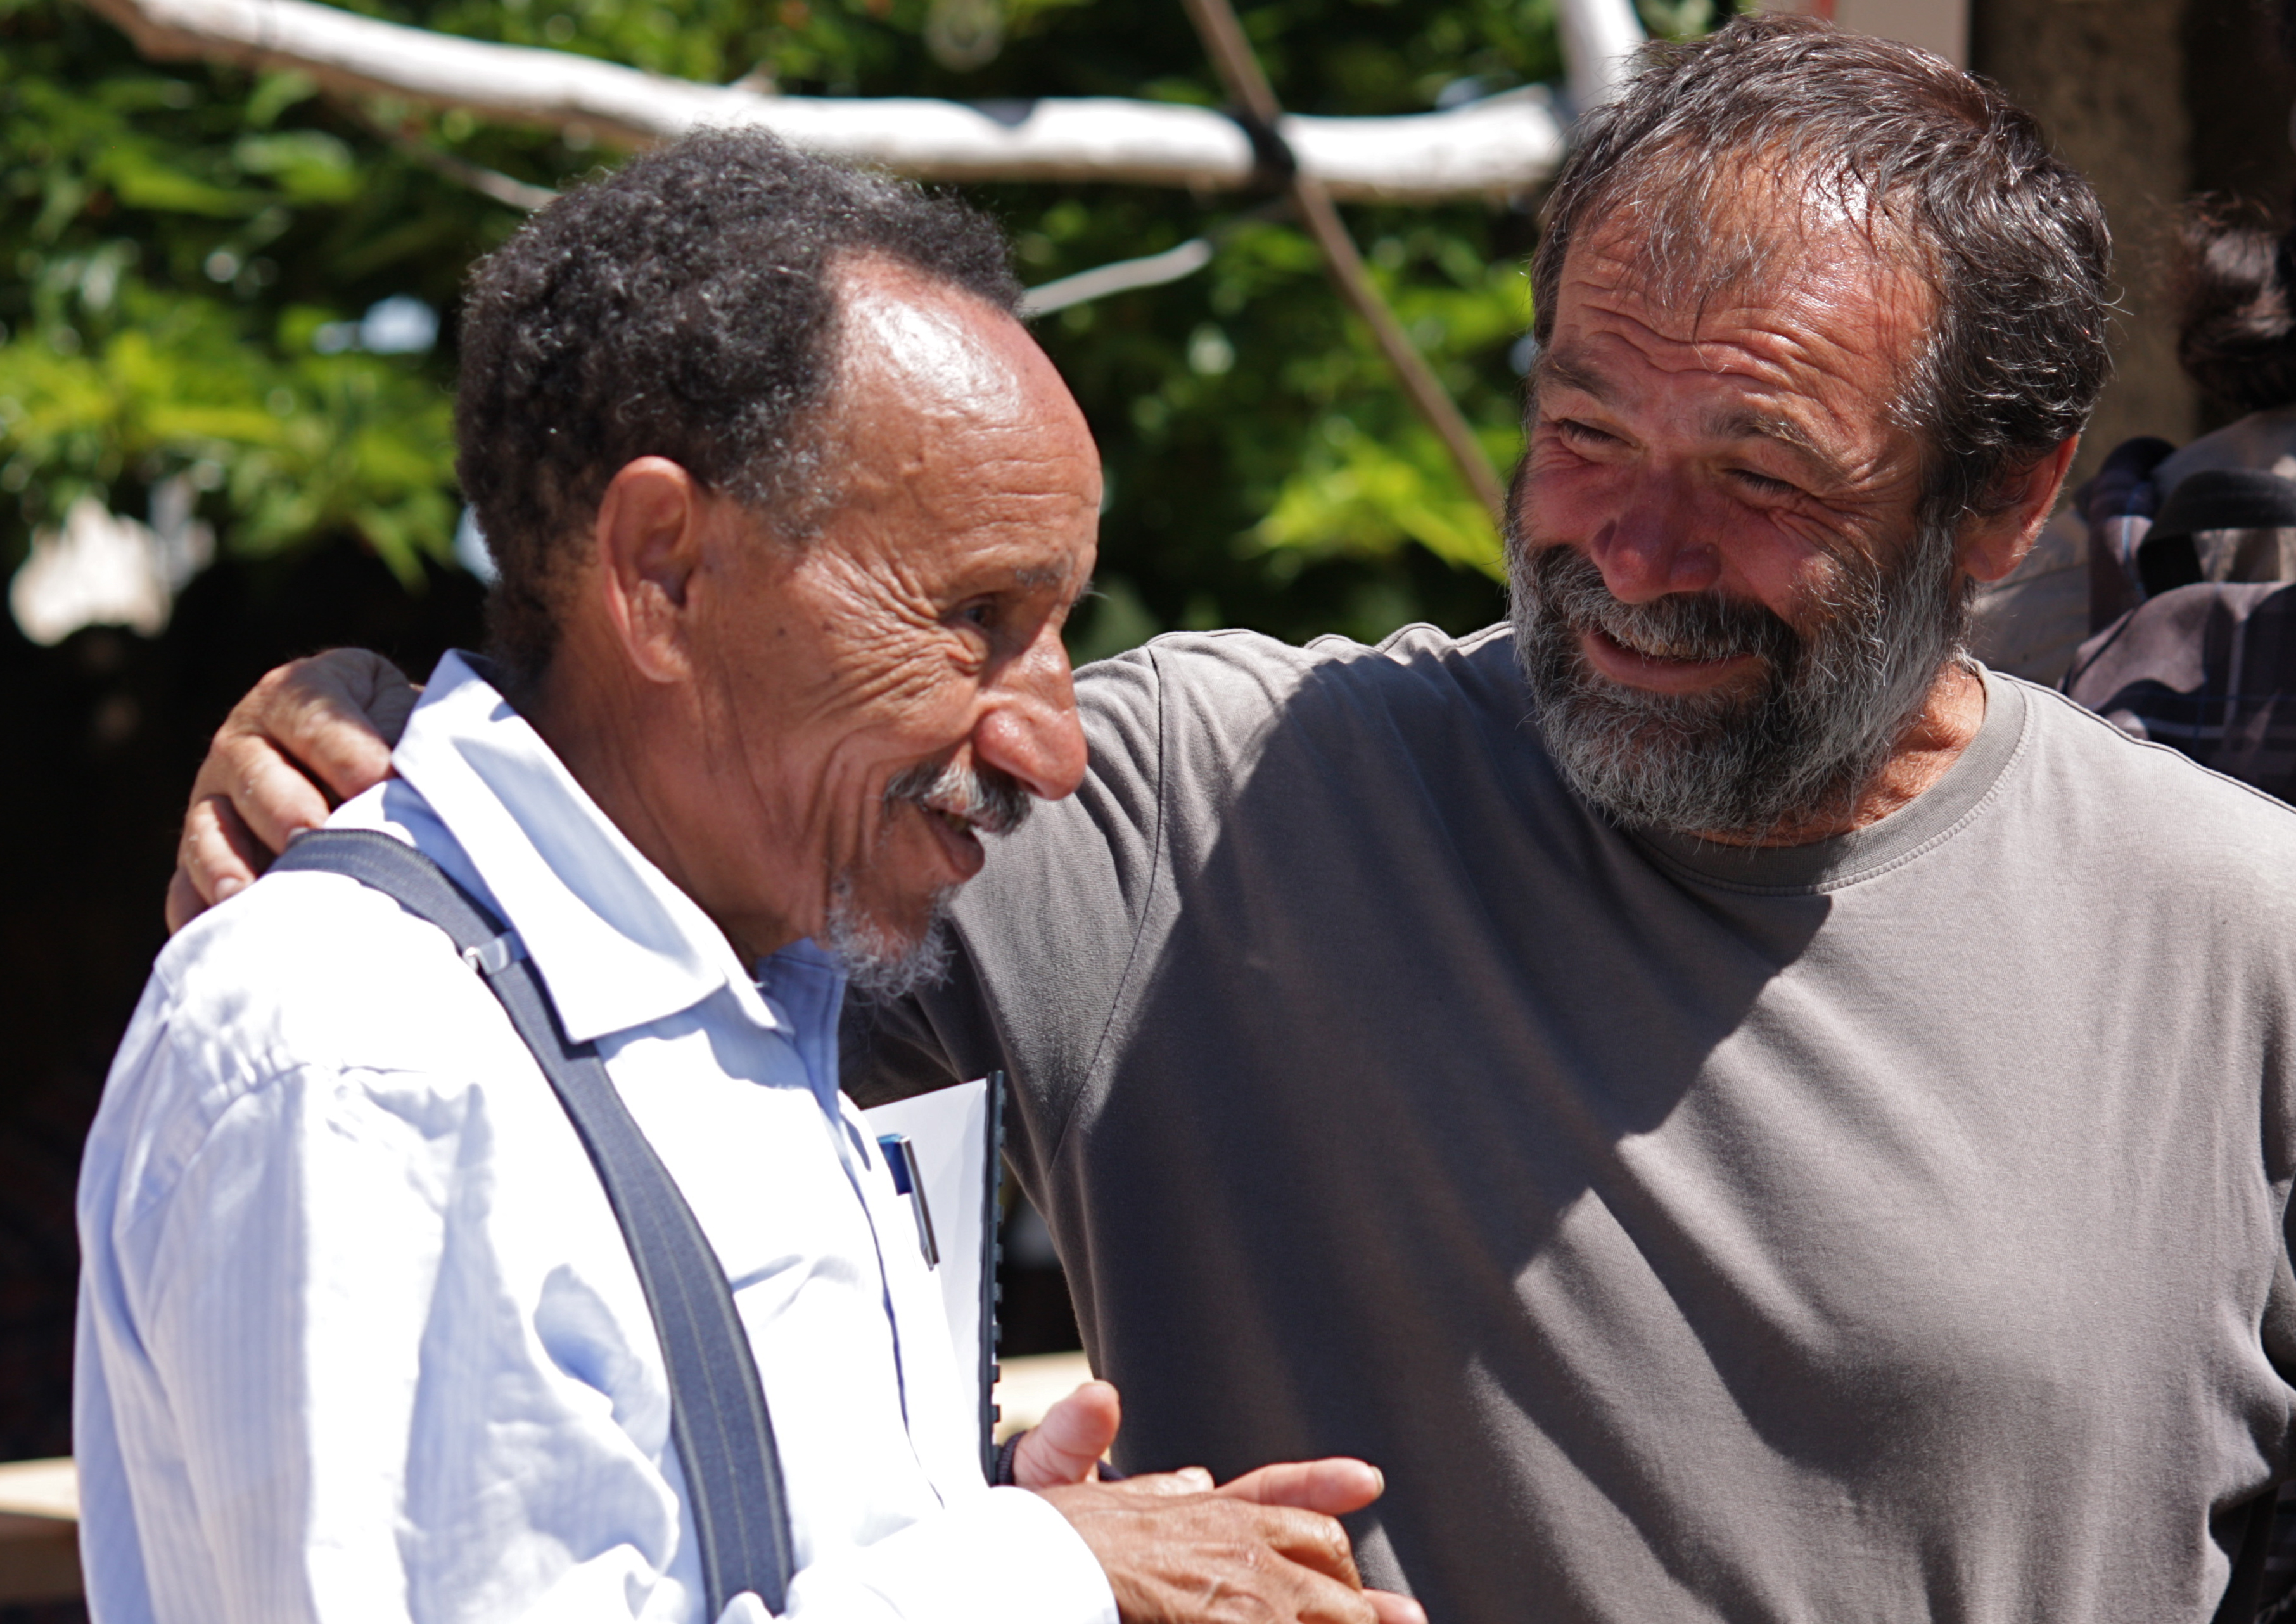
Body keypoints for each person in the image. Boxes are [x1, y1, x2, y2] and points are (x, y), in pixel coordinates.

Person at [164, 18, 2296, 1622]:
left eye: (1758, 476)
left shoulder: (2237, 937)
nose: (1629, 547)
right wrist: (379, 723)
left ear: (2006, 500)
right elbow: (635, 827)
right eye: (1576, 433)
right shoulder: (1198, 810)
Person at [77, 132, 1425, 1624]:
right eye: (975, 614)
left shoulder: (763, 989)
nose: (1053, 744)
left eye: (1054, 625)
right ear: (661, 569)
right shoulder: (361, 1056)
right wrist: (1037, 1576)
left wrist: (957, 1519)